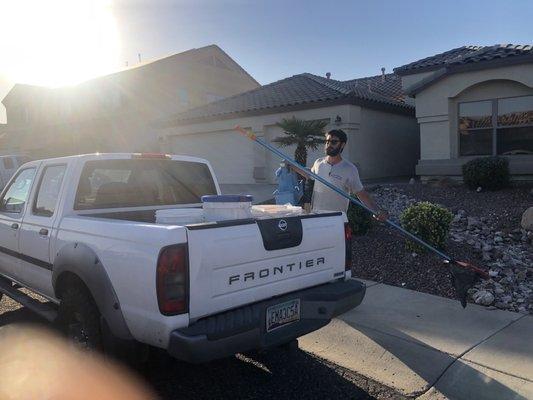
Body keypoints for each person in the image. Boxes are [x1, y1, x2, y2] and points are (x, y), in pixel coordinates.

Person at [296, 129, 388, 221]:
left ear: (342, 145)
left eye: (334, 142)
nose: (329, 145)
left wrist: (377, 211)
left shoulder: (349, 169)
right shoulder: (319, 163)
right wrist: (291, 166)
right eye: (327, 141)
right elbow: (309, 174)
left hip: (338, 220)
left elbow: (361, 193)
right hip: (317, 217)